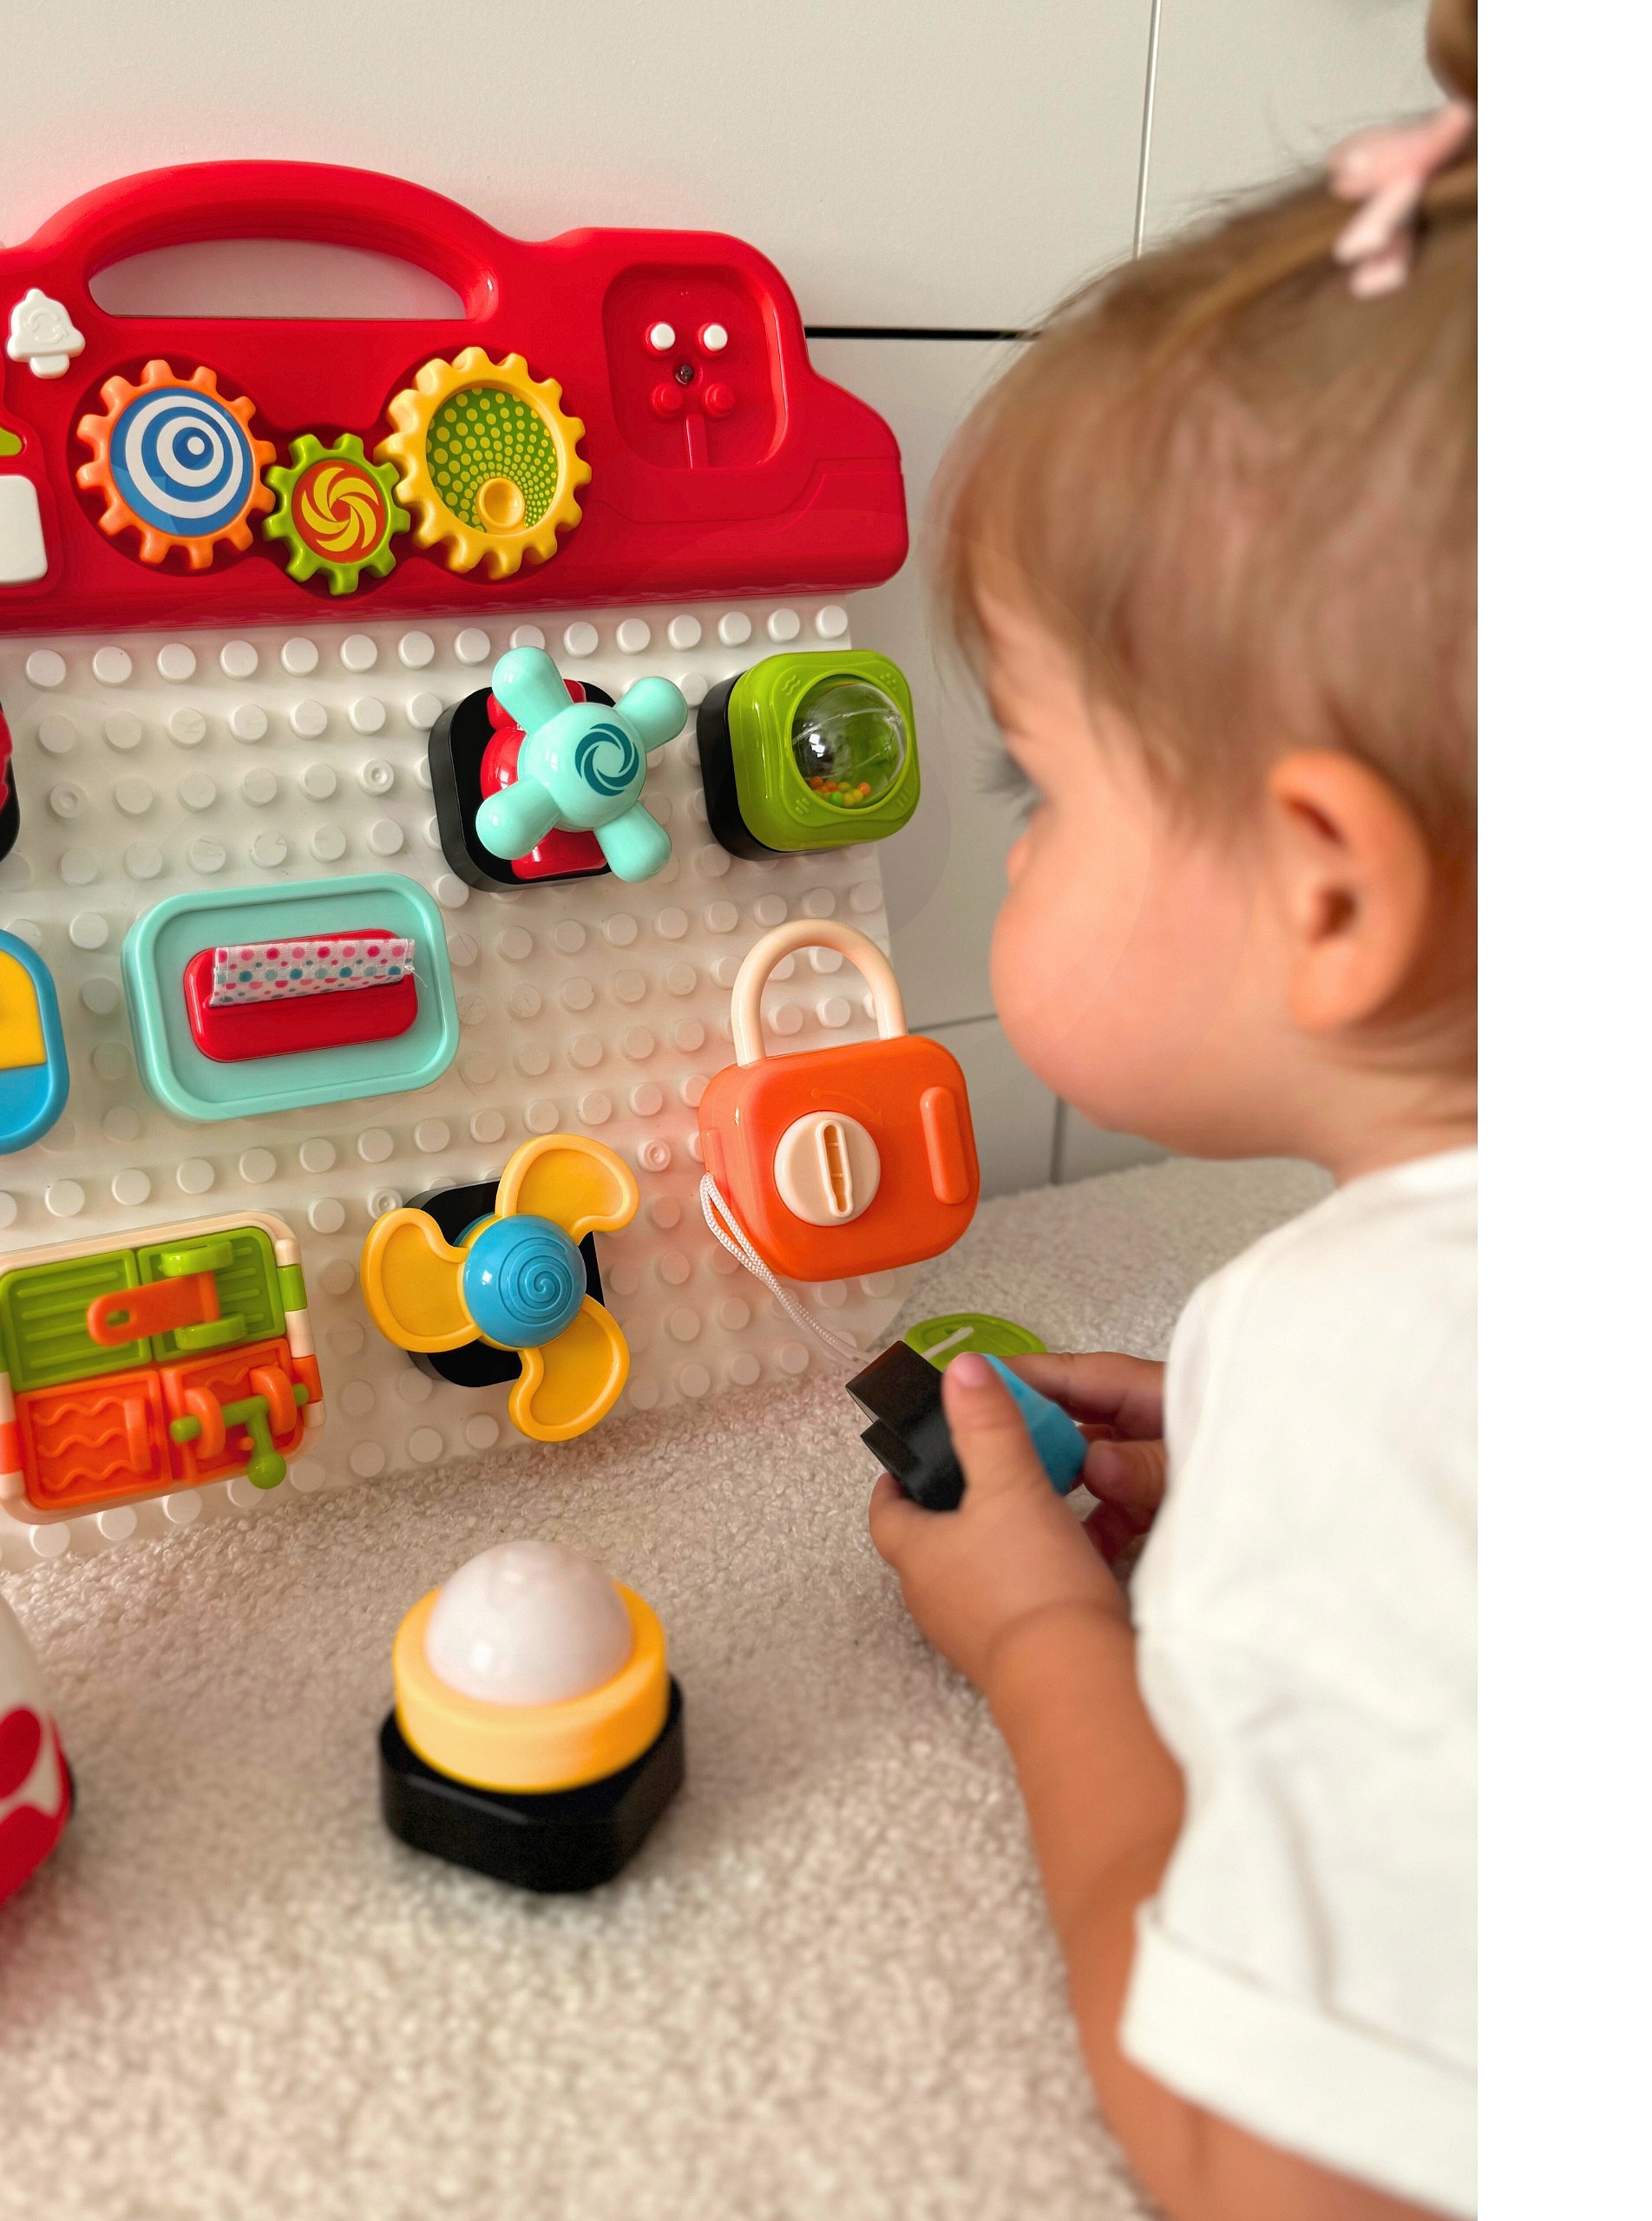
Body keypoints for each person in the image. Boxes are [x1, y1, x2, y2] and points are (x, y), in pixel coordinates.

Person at [866, 7, 1477, 2217]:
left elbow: (1266, 2162)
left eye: (1033, 782)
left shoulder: (1360, 1359)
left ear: (1324, 892)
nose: (1008, 842)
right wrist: (1266, 1487)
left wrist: (1043, 1642)